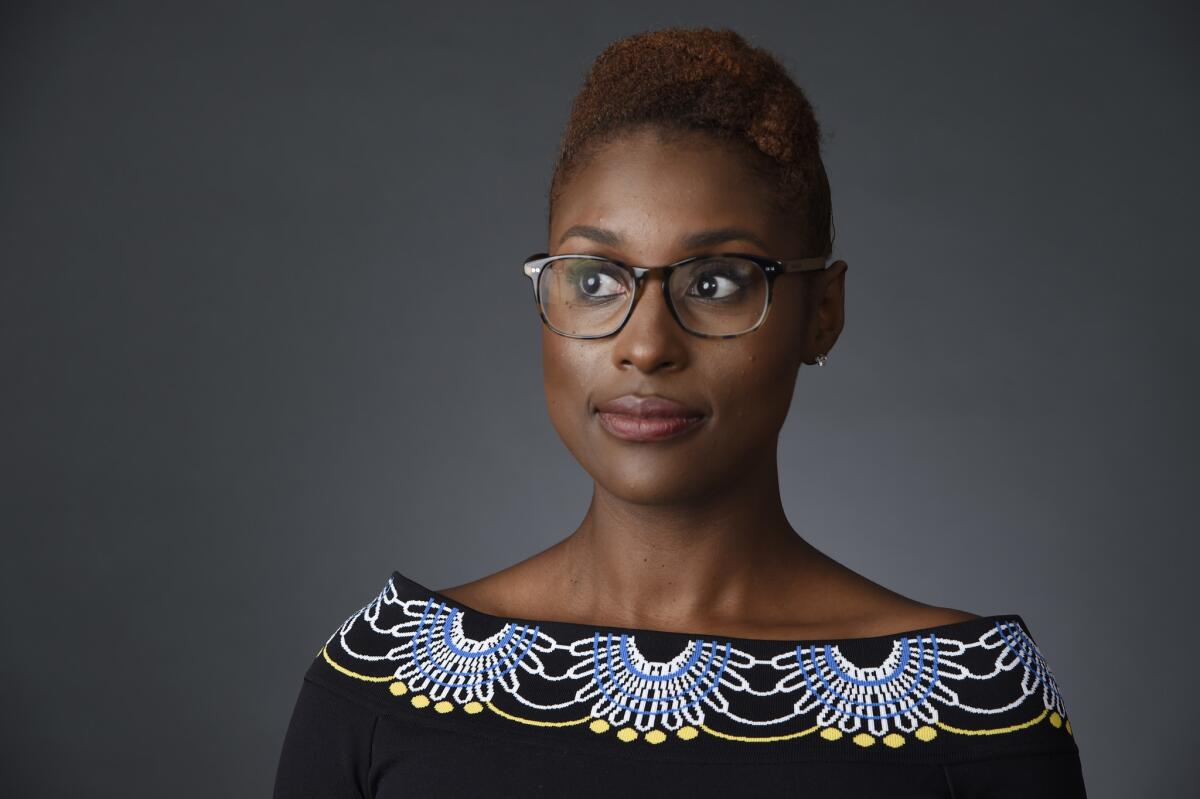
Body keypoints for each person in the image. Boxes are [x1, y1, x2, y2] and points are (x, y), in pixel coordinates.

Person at [273, 26, 1086, 797]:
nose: (646, 345)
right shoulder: (385, 682)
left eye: (718, 280)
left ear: (822, 312)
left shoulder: (973, 705)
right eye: (595, 280)